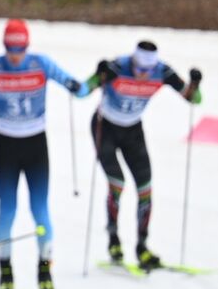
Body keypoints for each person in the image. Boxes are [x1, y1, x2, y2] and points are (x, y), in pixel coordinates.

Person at [0, 19, 85, 289]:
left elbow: (76, 87)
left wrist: (79, 84)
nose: (15, 55)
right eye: (10, 48)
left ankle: (44, 269)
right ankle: (5, 270)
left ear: (27, 46)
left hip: (35, 144)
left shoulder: (41, 64)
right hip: (6, 145)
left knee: (40, 209)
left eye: (20, 48)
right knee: (8, 210)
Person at [85, 41, 202, 270]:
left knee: (145, 188)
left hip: (132, 131)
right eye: (139, 68)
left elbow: (193, 99)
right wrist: (98, 74)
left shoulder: (162, 71)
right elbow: (84, 89)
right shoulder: (119, 66)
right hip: (105, 127)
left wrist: (195, 83)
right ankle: (113, 241)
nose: (142, 74)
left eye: (147, 71)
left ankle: (142, 246)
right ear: (133, 61)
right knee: (117, 183)